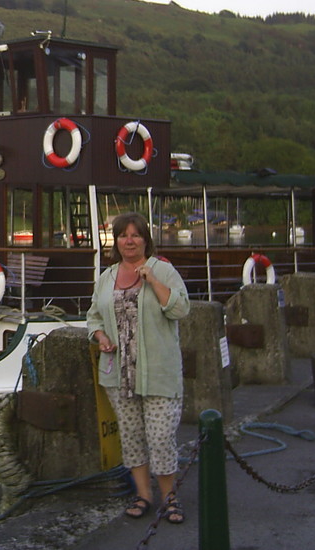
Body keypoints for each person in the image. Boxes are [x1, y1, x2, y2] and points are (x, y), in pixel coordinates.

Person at [86, 212, 190, 524]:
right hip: (119, 374)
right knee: (131, 437)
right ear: (115, 241)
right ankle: (143, 495)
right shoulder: (106, 277)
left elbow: (181, 309)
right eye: (122, 235)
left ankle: (170, 498)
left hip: (158, 371)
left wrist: (153, 281)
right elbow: (93, 316)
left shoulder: (164, 270)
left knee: (160, 437)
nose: (129, 241)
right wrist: (101, 336)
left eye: (135, 235)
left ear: (146, 239)